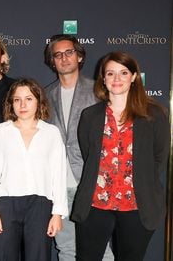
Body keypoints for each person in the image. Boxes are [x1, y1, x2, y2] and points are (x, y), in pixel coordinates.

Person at [72, 52, 170, 261]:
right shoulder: (90, 116)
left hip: (137, 206)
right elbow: (88, 153)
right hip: (95, 205)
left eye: (123, 73)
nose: (116, 79)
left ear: (134, 76)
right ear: (103, 79)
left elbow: (159, 158)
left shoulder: (153, 115)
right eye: (110, 73)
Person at [44, 34, 113, 261]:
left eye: (69, 52)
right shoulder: (44, 95)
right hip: (58, 187)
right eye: (57, 55)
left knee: (101, 251)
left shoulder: (99, 92)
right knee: (66, 250)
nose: (63, 58)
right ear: (52, 60)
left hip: (91, 183)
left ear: (80, 56)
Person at [0, 78, 68, 261]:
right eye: (17, 99)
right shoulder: (0, 131)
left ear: (38, 101)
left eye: (28, 99)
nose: (22, 104)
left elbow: (59, 176)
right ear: (11, 103)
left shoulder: (51, 133)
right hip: (6, 205)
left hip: (40, 205)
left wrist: (57, 213)